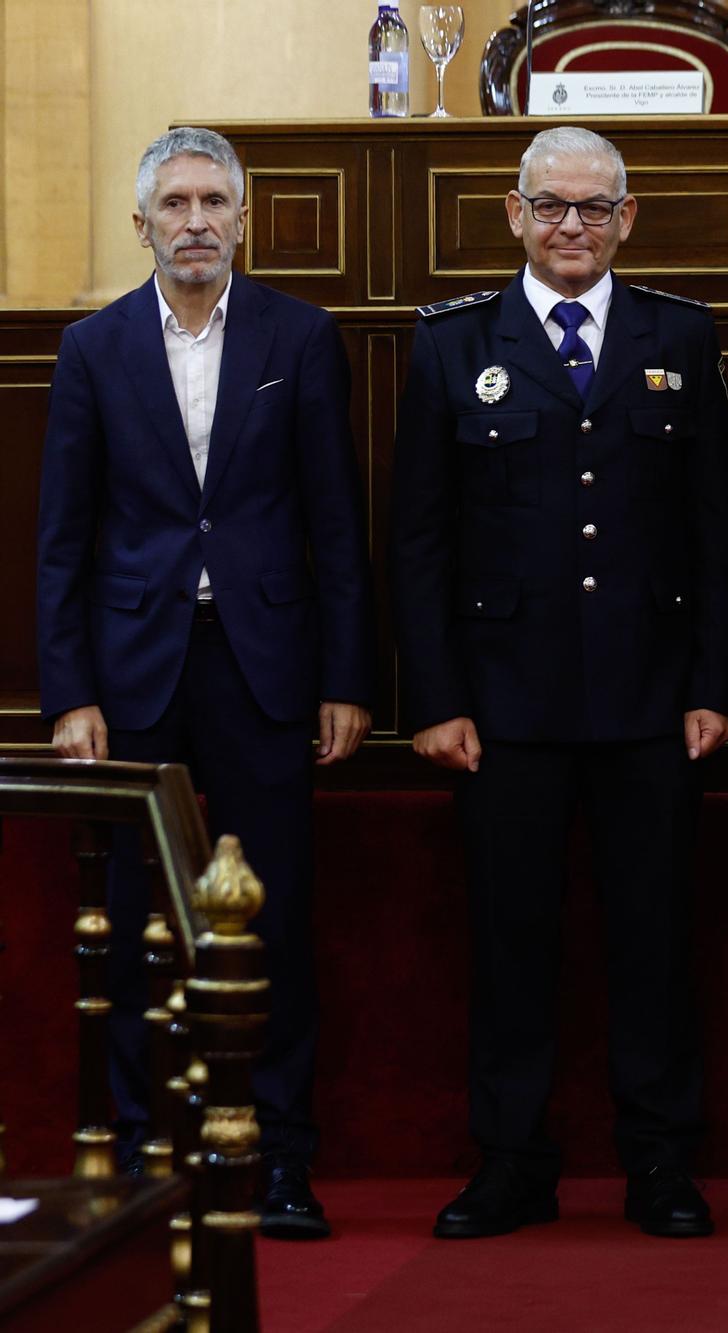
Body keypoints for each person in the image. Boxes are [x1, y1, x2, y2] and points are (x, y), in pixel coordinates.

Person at [390, 125, 728, 1241]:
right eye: (552, 206)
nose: (572, 227)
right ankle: (510, 1163)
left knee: (654, 939)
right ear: (514, 213)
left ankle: (658, 1163)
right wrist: (436, 697)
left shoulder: (679, 336)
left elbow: (716, 533)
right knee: (509, 943)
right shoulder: (452, 346)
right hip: (503, 705)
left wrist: (715, 685)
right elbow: (420, 540)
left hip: (651, 699)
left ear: (627, 219)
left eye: (595, 209)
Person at [36, 127, 374, 1239]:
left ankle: (280, 1156)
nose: (194, 220)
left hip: (267, 670)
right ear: (143, 225)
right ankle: (140, 1155)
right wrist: (69, 692)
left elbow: (336, 520)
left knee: (271, 917)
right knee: (137, 923)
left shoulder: (300, 336)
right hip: (131, 676)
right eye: (174, 203)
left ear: (243, 218)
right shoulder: (92, 348)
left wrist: (344, 678)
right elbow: (63, 538)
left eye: (212, 201)